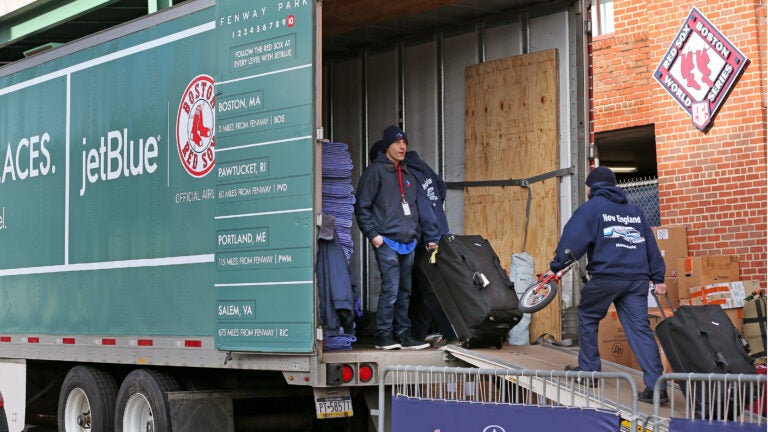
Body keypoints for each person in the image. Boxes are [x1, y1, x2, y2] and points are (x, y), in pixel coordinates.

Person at [548, 166, 668, 404]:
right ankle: (656, 387)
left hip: (607, 277)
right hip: (636, 280)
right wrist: (658, 276)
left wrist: (557, 264)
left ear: (592, 187)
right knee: (639, 329)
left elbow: (574, 238)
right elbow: (650, 244)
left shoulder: (592, 209)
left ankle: (589, 372)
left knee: (587, 316)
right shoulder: (635, 211)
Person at [368, 141, 456, 346]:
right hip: (437, 231)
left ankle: (433, 333)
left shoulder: (408, 175)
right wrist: (437, 216)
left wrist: (429, 235)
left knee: (418, 288)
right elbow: (441, 187)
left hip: (425, 238)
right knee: (418, 286)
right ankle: (416, 333)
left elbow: (421, 207)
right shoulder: (421, 166)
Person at [355, 125, 431, 350]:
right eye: (397, 143)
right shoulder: (375, 172)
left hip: (407, 242)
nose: (402, 147)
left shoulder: (407, 174)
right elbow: (362, 206)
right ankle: (383, 335)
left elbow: (415, 208)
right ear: (387, 146)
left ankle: (403, 335)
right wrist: (373, 235)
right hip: (386, 241)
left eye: (404, 143)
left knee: (405, 291)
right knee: (391, 288)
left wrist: (416, 235)